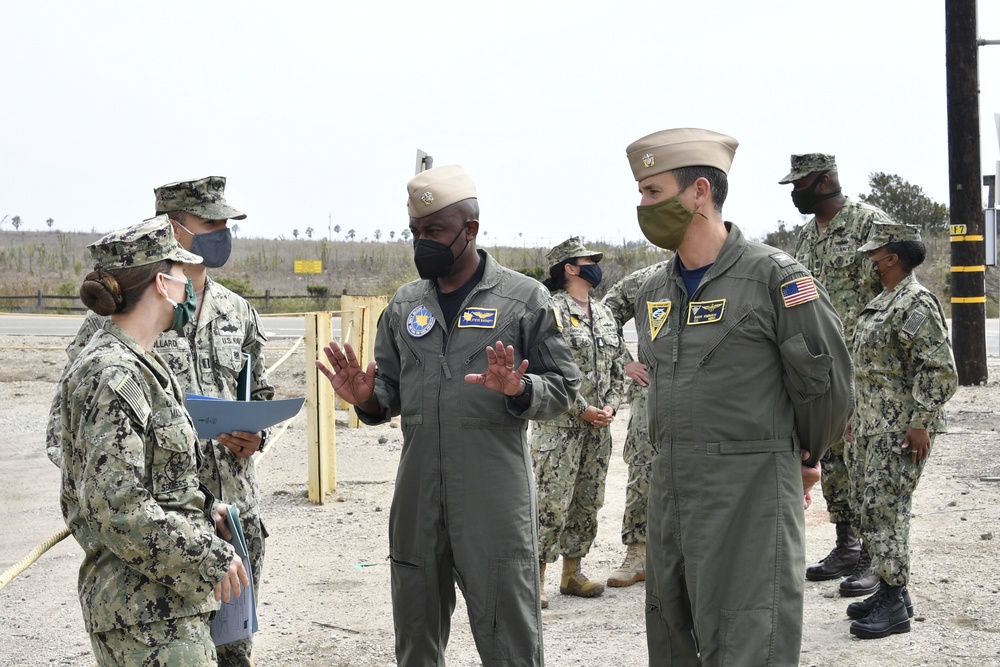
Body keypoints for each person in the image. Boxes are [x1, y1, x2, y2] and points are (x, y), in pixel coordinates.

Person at [315, 164, 580, 667]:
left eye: (434, 231)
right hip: (417, 498)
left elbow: (566, 388)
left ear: (471, 230)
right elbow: (387, 393)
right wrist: (365, 396)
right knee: (415, 638)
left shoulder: (524, 299)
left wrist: (520, 387)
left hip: (493, 498)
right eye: (415, 232)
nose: (422, 242)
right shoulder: (405, 305)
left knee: (511, 641)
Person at [624, 128, 854, 665]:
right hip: (670, 492)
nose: (642, 205)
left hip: (749, 491)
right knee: (673, 635)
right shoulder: (654, 291)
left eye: (653, 192)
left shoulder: (774, 278)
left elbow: (826, 383)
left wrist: (805, 458)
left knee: (750, 636)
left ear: (699, 192)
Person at [50, 176, 274, 667]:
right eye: (209, 222)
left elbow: (258, 390)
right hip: (150, 578)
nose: (221, 233)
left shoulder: (236, 311)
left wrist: (247, 446)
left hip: (218, 518)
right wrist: (195, 545)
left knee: (233, 653)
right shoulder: (112, 353)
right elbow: (104, 487)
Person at [779, 153, 893, 596]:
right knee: (832, 456)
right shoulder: (806, 236)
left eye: (800, 184)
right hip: (820, 367)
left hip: (866, 368)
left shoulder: (870, 223)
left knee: (866, 461)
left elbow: (895, 285)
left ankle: (872, 555)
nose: (794, 193)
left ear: (825, 180)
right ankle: (847, 544)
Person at [845, 222, 958, 639]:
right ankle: (892, 592)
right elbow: (874, 372)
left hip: (900, 430)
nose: (870, 260)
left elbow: (940, 371)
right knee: (869, 508)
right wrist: (855, 418)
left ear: (892, 257)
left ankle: (893, 605)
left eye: (875, 253)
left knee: (885, 514)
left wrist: (920, 424)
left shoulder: (916, 303)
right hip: (875, 425)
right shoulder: (886, 301)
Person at [531, 237, 627, 607]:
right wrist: (583, 407)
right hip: (559, 429)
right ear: (570, 268)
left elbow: (620, 364)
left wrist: (612, 407)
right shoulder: (550, 311)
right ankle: (534, 577)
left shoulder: (603, 313)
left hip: (598, 428)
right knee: (549, 504)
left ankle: (572, 574)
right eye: (589, 260)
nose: (595, 266)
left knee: (587, 502)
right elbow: (548, 368)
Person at [600, 258, 670, 588]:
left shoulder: (723, 274)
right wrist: (626, 362)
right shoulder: (647, 278)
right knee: (644, 467)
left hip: (709, 392)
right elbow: (603, 316)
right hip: (652, 390)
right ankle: (638, 553)